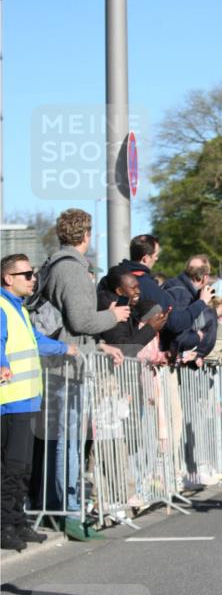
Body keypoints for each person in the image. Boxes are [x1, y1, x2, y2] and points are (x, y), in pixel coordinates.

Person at [40, 208, 127, 517]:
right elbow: (80, 320)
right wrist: (112, 316)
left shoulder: (57, 264)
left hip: (66, 362)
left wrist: (100, 346)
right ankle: (71, 509)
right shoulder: (72, 269)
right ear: (86, 236)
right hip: (68, 369)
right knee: (70, 441)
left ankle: (60, 505)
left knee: (65, 440)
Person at [1, 254, 78, 551]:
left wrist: (64, 348)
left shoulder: (16, 308)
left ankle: (17, 521)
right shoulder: (1, 307)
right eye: (27, 274)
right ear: (9, 278)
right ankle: (5, 526)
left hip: (27, 400)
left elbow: (35, 340)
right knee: (11, 468)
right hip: (10, 401)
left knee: (23, 470)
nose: (33, 279)